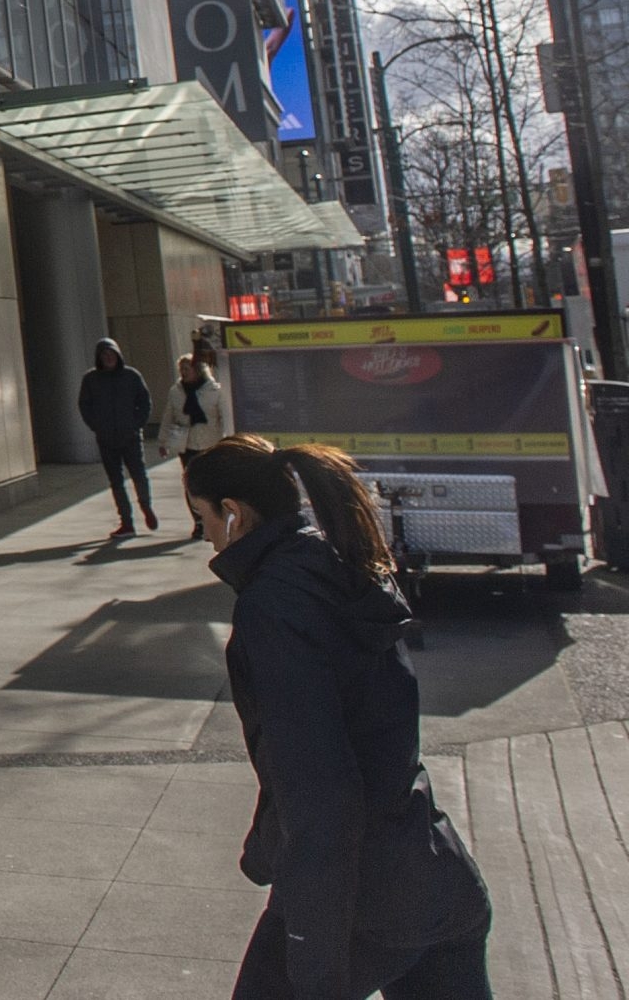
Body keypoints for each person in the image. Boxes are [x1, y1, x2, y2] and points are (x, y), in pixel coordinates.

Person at [186, 435, 492, 999]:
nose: (202, 534)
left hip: (363, 903)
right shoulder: (335, 562)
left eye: (201, 516)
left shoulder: (273, 606)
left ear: (233, 514)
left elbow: (320, 789)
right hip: (434, 877)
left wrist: (310, 950)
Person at [78, 337, 158, 537]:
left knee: (139, 475)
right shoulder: (91, 379)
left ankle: (146, 507)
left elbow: (145, 401)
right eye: (104, 355)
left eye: (111, 354)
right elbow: (84, 405)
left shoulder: (131, 376)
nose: (108, 358)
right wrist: (96, 426)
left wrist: (137, 424)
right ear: (99, 358)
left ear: (117, 355)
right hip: (106, 438)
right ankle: (127, 522)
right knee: (116, 481)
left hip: (130, 436)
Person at [157, 353, 231, 541]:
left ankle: (216, 517)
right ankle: (198, 521)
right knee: (191, 483)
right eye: (181, 369)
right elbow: (168, 416)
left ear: (198, 370)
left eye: (187, 369)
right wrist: (163, 441)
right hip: (186, 443)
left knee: (211, 482)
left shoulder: (214, 390)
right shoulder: (176, 391)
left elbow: (225, 417)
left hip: (209, 442)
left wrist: (229, 440)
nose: (183, 372)